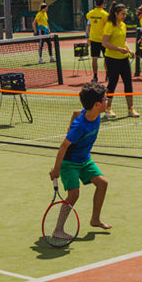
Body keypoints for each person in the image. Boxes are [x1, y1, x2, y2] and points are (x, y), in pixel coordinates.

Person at [49, 81, 112, 237]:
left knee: (102, 183)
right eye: (105, 99)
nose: (107, 101)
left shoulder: (90, 112)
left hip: (85, 160)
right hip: (69, 163)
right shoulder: (80, 126)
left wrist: (72, 121)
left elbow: (76, 112)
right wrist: (56, 169)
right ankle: (58, 230)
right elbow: (63, 146)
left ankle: (95, 220)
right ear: (97, 104)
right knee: (74, 194)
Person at [101, 2, 140, 119]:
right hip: (112, 59)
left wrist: (129, 50)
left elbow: (124, 41)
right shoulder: (109, 25)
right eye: (122, 14)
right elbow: (105, 42)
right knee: (112, 83)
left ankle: (131, 109)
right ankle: (107, 109)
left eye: (125, 14)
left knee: (128, 82)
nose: (124, 16)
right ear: (116, 13)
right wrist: (118, 49)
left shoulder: (123, 25)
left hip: (123, 59)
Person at [85, 0, 109, 80]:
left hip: (94, 39)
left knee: (94, 58)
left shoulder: (90, 13)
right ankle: (107, 76)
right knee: (106, 58)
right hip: (104, 39)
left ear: (95, 4)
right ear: (103, 4)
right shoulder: (105, 14)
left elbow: (88, 18)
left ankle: (95, 76)